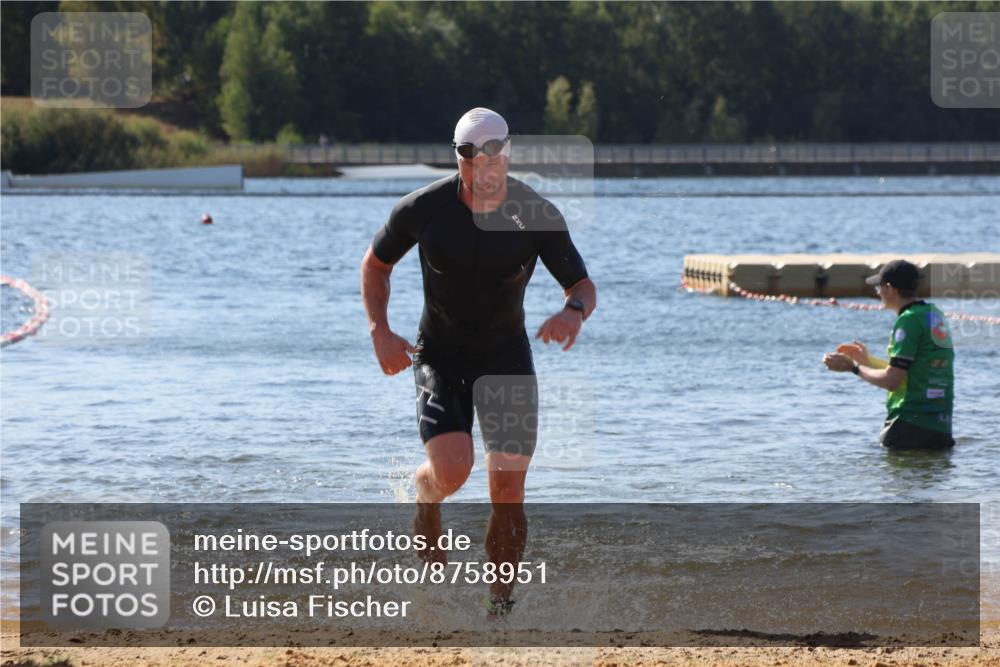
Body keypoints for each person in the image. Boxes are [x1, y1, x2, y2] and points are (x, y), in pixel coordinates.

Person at [360, 107, 597, 613]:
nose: (481, 173)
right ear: (458, 159)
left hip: (506, 358)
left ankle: (500, 611)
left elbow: (581, 285)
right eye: (469, 161)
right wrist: (379, 330)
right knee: (452, 470)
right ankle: (426, 497)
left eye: (492, 160)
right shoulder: (425, 207)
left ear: (507, 155)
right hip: (440, 359)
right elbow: (376, 265)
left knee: (508, 489)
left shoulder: (535, 213)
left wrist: (573, 312)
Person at [823, 259, 955, 450]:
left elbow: (892, 381)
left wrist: (854, 368)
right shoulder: (934, 314)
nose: (878, 294)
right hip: (940, 427)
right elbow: (911, 372)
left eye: (879, 288)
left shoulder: (908, 320)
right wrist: (866, 361)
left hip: (909, 425)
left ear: (891, 289)